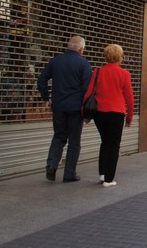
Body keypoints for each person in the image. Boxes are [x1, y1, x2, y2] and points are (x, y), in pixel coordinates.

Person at [37, 35, 92, 182]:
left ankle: (52, 164)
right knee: (74, 141)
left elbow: (41, 80)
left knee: (59, 136)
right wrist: (87, 112)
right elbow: (87, 90)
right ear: (81, 49)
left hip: (58, 106)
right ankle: (69, 174)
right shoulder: (84, 64)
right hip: (76, 108)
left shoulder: (55, 61)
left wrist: (46, 98)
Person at [83, 44, 134, 188]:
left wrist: (85, 114)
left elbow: (89, 92)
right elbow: (129, 98)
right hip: (117, 113)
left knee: (105, 142)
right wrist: (129, 117)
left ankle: (102, 173)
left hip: (100, 112)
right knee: (114, 145)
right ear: (120, 57)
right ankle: (109, 179)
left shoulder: (98, 71)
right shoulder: (124, 74)